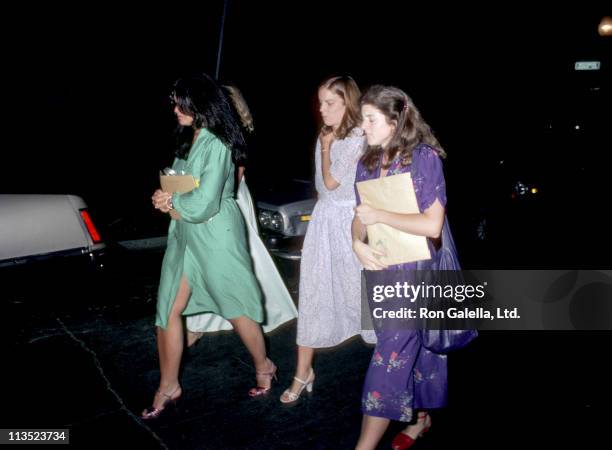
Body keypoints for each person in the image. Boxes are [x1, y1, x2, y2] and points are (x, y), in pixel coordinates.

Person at [144, 74, 277, 420]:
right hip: (185, 234)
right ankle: (168, 385)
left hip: (215, 235)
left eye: (180, 103)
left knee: (235, 306)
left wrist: (171, 203)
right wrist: (165, 192)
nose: (174, 109)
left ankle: (264, 365)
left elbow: (204, 203)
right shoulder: (192, 137)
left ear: (200, 105)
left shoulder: (218, 142)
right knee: (167, 310)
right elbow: (182, 181)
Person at [352, 85, 450, 450]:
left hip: (415, 273)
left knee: (389, 355)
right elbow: (359, 216)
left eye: (370, 119)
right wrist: (356, 242)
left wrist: (381, 215)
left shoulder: (423, 158)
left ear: (395, 120)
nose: (363, 127)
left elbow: (432, 226)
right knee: (416, 348)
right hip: (380, 269)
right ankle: (421, 418)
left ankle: (364, 446)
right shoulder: (367, 162)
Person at [280, 76, 375, 405]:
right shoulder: (332, 135)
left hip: (352, 224)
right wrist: (326, 144)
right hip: (325, 222)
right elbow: (323, 190)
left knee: (368, 301)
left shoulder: (357, 137)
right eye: (320, 103)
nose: (321, 109)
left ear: (347, 103)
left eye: (329, 103)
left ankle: (399, 377)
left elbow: (332, 182)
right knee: (314, 295)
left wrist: (325, 146)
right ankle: (302, 372)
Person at [185, 84, 298, 345]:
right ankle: (205, 317)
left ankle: (256, 309)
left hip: (231, 194)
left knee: (244, 253)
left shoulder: (236, 132)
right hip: (215, 193)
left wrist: (214, 199)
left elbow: (236, 173)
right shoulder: (208, 130)